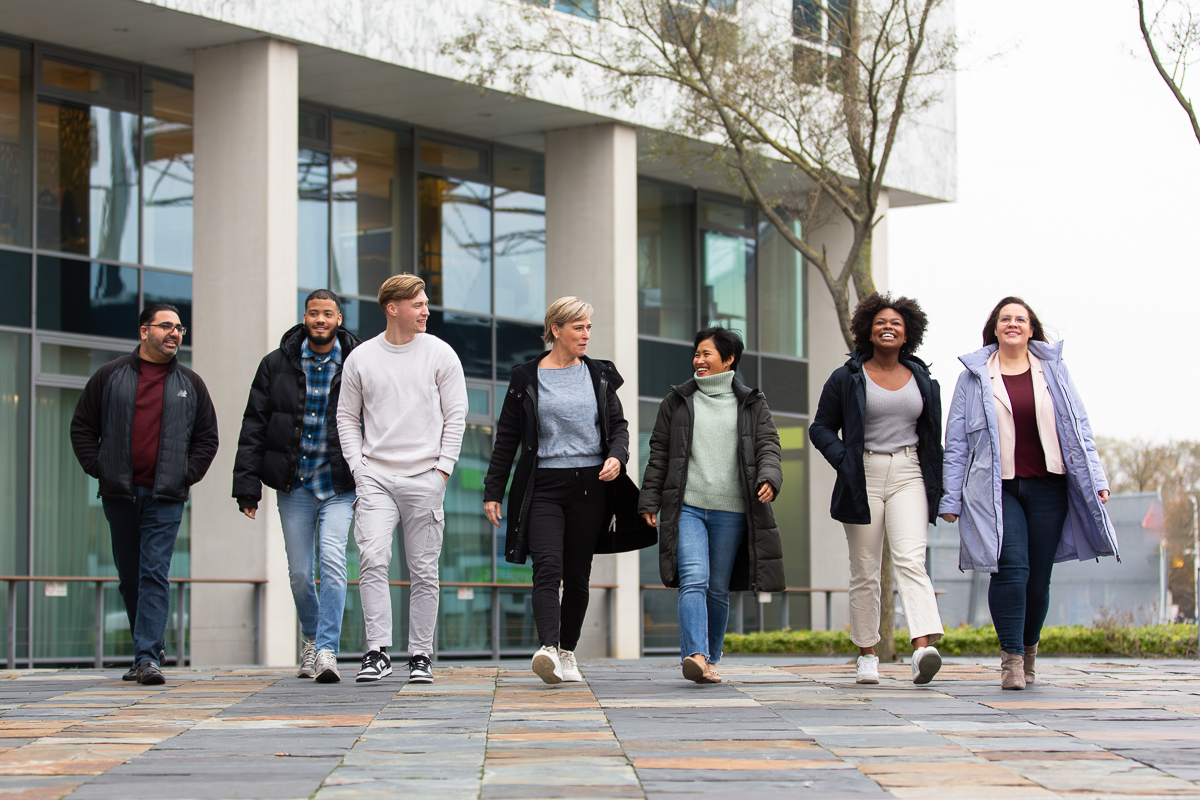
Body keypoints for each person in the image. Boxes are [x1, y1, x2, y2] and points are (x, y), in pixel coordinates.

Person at [940, 297, 1117, 690]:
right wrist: (950, 499)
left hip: (1048, 486)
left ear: (1031, 329)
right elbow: (956, 443)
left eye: (1020, 318)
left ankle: (1029, 649)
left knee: (1038, 581)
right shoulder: (974, 377)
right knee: (1011, 570)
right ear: (995, 328)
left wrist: (1098, 479)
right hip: (996, 490)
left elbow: (1079, 427)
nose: (1013, 323)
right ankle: (1011, 662)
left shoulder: (1053, 371)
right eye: (1006, 318)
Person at [483, 297, 653, 685]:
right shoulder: (526, 377)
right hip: (542, 485)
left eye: (589, 327)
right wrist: (494, 489)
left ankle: (566, 652)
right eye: (579, 327)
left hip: (591, 487)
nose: (586, 334)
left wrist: (617, 456)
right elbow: (507, 438)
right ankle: (547, 648)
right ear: (555, 330)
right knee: (547, 567)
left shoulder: (599, 375)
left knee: (577, 574)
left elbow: (620, 426)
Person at [70, 303, 219, 686]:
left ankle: (147, 657)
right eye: (166, 326)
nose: (175, 333)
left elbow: (207, 439)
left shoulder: (191, 383)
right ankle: (147, 648)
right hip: (120, 493)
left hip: (166, 496)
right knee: (129, 575)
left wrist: (184, 476)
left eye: (179, 328)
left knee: (154, 571)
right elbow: (82, 428)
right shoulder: (109, 376)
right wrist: (99, 468)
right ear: (143, 331)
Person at [809, 293, 946, 686]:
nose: (888, 327)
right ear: (868, 330)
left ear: (908, 335)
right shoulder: (847, 376)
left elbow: (932, 437)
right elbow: (820, 428)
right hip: (862, 473)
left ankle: (922, 650)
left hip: (909, 472)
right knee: (865, 569)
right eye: (881, 322)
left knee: (910, 559)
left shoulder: (922, 378)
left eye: (897, 324)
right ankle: (867, 654)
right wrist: (845, 461)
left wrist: (942, 485)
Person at [336, 274, 467, 684]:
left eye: (426, 303)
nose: (426, 310)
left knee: (424, 570)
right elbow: (346, 417)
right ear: (393, 308)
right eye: (418, 304)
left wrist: (443, 470)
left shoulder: (441, 354)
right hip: (375, 476)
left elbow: (456, 416)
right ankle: (376, 651)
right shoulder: (361, 358)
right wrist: (359, 468)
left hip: (426, 476)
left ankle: (420, 655)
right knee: (373, 560)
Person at [639, 327, 784, 684]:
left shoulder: (752, 403)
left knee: (717, 589)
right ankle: (695, 655)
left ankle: (712, 659)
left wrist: (769, 477)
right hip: (687, 507)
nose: (698, 361)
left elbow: (769, 445)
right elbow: (659, 455)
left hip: (732, 510)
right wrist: (650, 498)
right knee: (694, 579)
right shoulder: (677, 401)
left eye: (707, 354)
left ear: (729, 358)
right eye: (697, 354)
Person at [233, 289, 361, 683]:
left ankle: (326, 651)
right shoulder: (275, 364)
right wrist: (247, 486)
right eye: (313, 313)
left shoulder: (358, 363)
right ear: (304, 318)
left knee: (334, 563)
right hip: (295, 485)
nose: (320, 320)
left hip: (339, 484)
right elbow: (254, 424)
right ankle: (311, 637)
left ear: (339, 319)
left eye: (327, 314)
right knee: (300, 574)